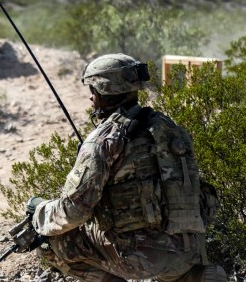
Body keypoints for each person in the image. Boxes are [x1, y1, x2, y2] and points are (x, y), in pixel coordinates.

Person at [27, 53, 226, 281]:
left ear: (104, 92)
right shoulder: (170, 129)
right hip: (189, 251)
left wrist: (39, 213)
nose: (91, 99)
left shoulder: (103, 141)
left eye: (93, 91)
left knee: (50, 240)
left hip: (139, 258)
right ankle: (193, 277)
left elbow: (73, 211)